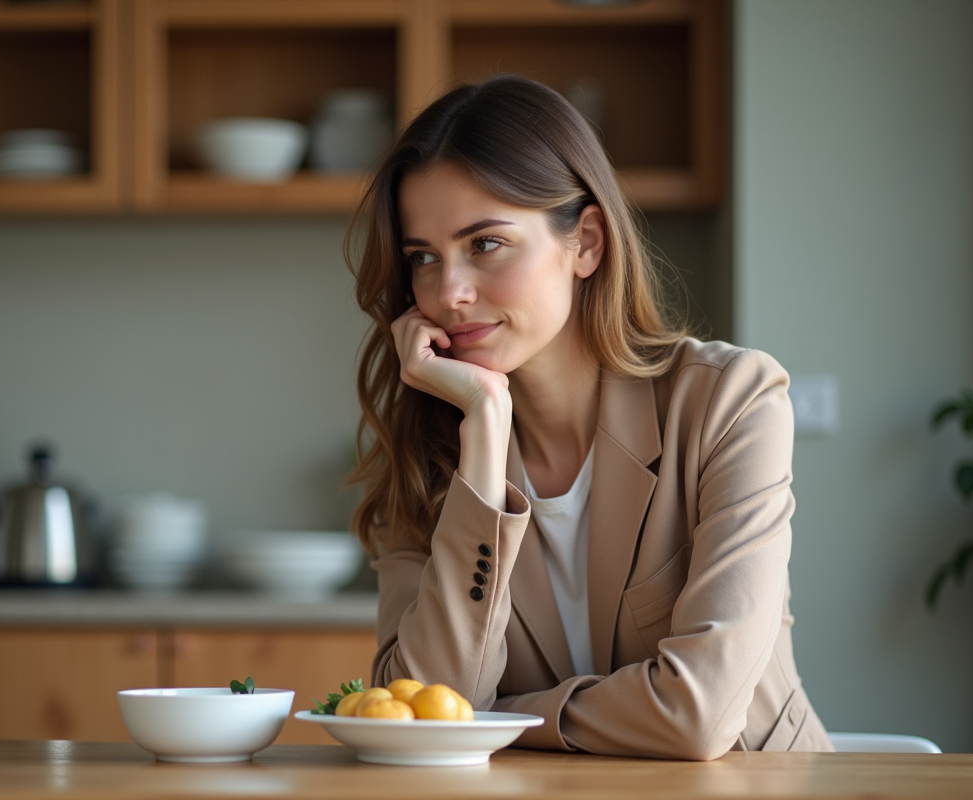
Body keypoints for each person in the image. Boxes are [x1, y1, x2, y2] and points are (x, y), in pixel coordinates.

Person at [344, 75, 832, 760]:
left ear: (588, 243)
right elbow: (423, 714)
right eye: (424, 258)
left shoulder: (731, 403)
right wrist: (484, 433)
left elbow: (697, 716)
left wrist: (497, 720)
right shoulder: (431, 455)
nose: (447, 293)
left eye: (484, 244)